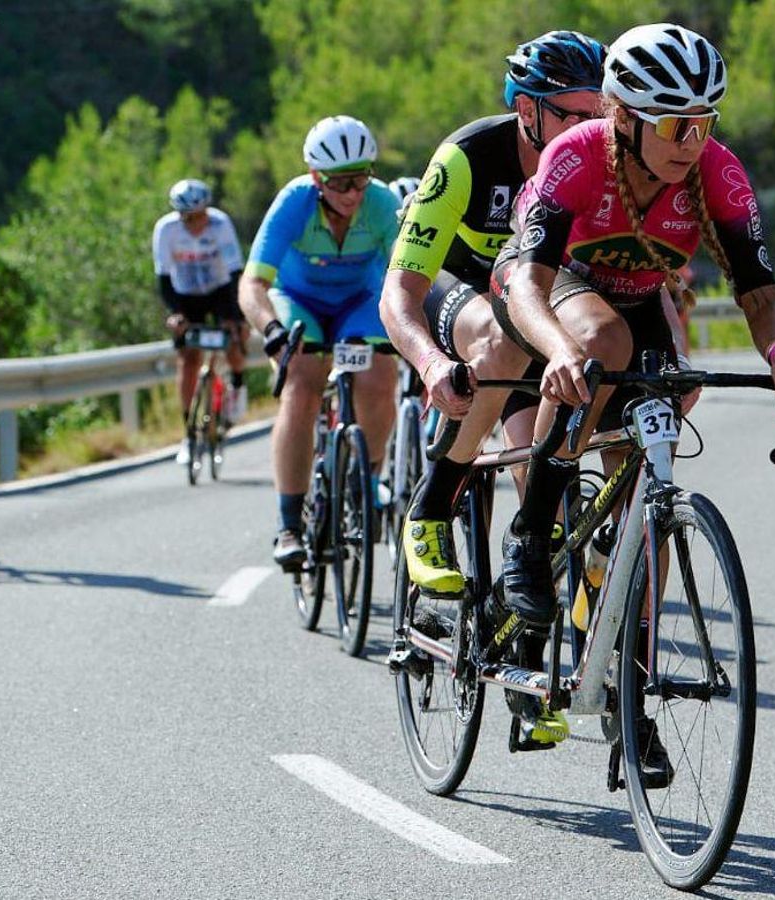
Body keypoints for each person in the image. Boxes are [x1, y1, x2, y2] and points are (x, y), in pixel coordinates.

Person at [491, 22, 775, 749]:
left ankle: (627, 683)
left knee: (662, 439)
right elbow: (528, 281)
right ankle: (533, 532)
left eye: (705, 122)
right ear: (623, 116)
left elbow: (760, 291)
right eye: (676, 123)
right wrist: (553, 348)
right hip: (549, 289)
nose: (691, 141)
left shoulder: (718, 172)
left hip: (638, 296)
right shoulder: (575, 156)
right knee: (599, 343)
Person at [380, 31, 609, 597]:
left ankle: (524, 640)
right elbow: (399, 293)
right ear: (526, 107)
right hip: (459, 293)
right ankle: (430, 507)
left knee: (542, 489)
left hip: (535, 305)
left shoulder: (597, 160)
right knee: (495, 334)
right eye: (575, 114)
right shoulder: (468, 157)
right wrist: (432, 365)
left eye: (600, 113)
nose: (591, 130)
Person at [240, 116, 401, 568]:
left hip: (359, 300)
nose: (353, 193)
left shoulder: (383, 203)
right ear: (317, 178)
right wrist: (271, 330)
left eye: (361, 178)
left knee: (377, 373)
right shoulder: (294, 202)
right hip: (298, 301)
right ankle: (290, 523)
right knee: (301, 383)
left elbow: (407, 276)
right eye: (340, 182)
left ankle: (365, 479)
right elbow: (253, 284)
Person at [152, 178, 248, 464]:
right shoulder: (166, 230)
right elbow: (164, 277)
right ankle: (189, 433)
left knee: (234, 339)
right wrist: (175, 313)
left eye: (202, 214)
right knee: (188, 360)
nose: (198, 222)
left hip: (220, 291)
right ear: (180, 215)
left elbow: (234, 272)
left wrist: (233, 315)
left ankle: (238, 384)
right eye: (191, 218)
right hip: (186, 296)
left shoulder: (220, 225)